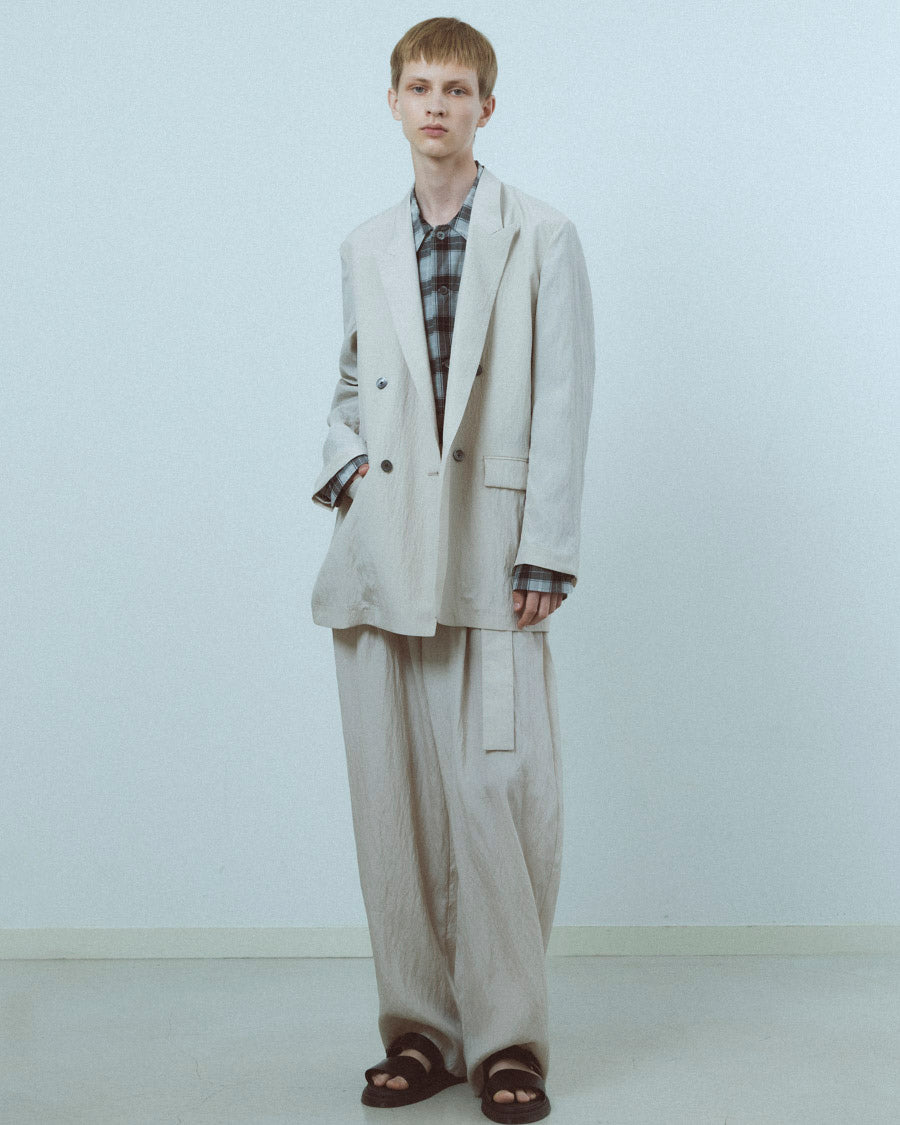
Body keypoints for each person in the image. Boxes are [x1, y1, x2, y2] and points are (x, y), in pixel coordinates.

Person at [310, 17, 595, 1122]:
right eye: (420, 86)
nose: (437, 104)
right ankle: (420, 1034)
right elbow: (349, 385)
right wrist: (346, 472)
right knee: (394, 811)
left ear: (487, 107)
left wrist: (548, 550)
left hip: (491, 552)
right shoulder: (364, 244)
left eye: (458, 89)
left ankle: (509, 1041)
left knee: (496, 802)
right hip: (382, 560)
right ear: (393, 101)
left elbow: (563, 396)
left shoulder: (543, 236)